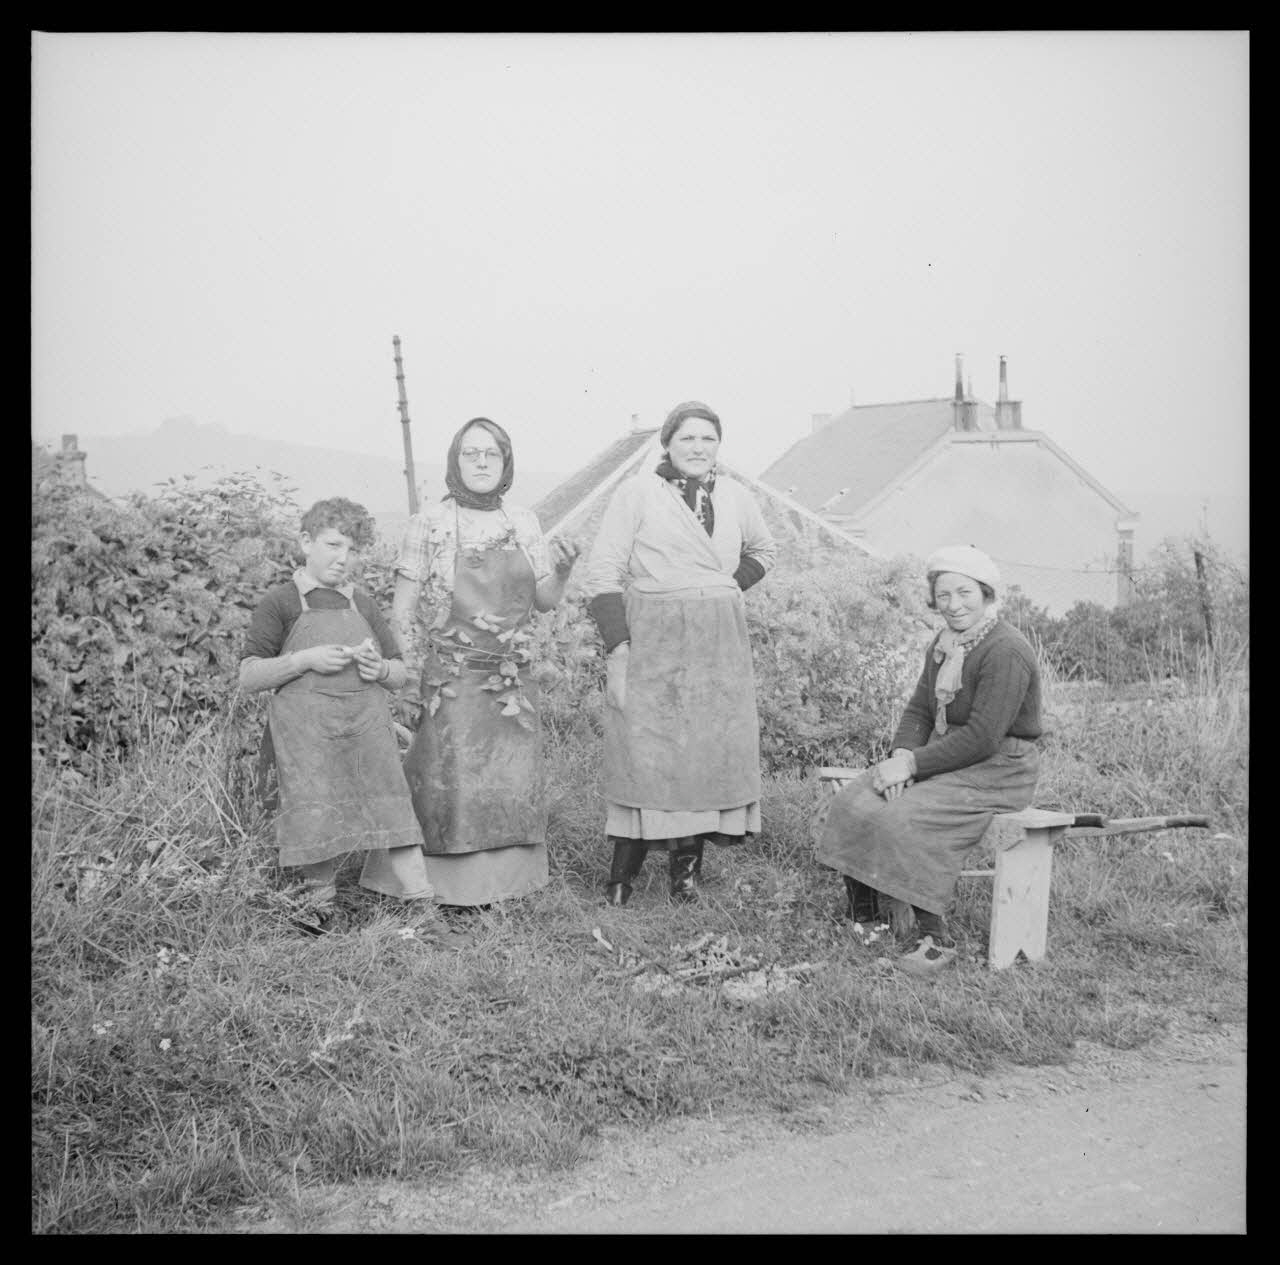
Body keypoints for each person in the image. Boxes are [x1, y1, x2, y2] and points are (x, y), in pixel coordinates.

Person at [582, 400, 778, 905]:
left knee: (704, 751)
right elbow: (602, 570)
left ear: (719, 447)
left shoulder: (735, 496)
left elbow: (764, 550)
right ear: (667, 442)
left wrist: (723, 588)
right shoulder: (638, 493)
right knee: (644, 750)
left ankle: (684, 878)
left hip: (718, 639)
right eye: (687, 438)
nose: (697, 447)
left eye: (708, 439)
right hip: (654, 632)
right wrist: (618, 646)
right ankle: (621, 876)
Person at [814, 545, 1042, 974]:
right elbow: (920, 710)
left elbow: (983, 737)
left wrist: (914, 767)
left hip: (999, 767)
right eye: (943, 596)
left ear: (987, 593)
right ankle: (867, 920)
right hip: (946, 754)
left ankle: (934, 939)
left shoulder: (1005, 651)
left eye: (965, 593)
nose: (954, 606)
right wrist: (902, 755)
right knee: (854, 800)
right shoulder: (946, 644)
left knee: (909, 816)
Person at [391, 417, 579, 908]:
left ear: (505, 462)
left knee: (509, 779)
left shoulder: (524, 523)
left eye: (490, 454)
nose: (480, 461)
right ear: (454, 460)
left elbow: (544, 601)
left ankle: (510, 886)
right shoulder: (429, 523)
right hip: (451, 678)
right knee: (450, 785)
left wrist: (563, 569)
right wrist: (409, 680)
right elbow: (402, 613)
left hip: (510, 681)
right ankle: (442, 891)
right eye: (470, 453)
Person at [239, 497, 431, 932]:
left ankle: (423, 910)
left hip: (366, 729)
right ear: (306, 541)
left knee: (393, 808)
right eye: (333, 545)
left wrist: (378, 668)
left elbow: (400, 673)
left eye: (353, 550)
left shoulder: (362, 604)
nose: (343, 559)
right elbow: (248, 676)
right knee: (314, 812)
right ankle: (320, 913)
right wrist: (304, 660)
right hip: (306, 736)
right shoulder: (281, 603)